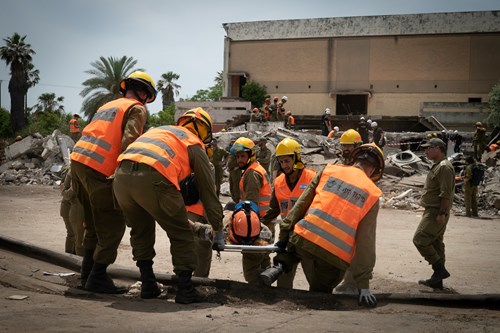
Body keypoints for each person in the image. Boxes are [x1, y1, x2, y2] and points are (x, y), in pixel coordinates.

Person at [113, 108, 224, 303]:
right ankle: (185, 289)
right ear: (204, 131)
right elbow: (208, 192)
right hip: (154, 176)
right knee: (181, 233)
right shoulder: (193, 142)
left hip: (121, 177)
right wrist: (218, 228)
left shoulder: (161, 131)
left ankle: (148, 284)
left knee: (141, 229)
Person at [260, 143, 385, 308]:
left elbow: (299, 208)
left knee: (293, 251)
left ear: (354, 158)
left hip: (306, 238)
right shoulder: (372, 193)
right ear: (375, 170)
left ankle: (280, 266)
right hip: (334, 256)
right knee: (320, 292)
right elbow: (366, 242)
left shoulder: (329, 171)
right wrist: (363, 285)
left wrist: (284, 239)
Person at [70, 70, 157, 294]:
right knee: (112, 224)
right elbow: (130, 140)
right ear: (144, 93)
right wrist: (124, 173)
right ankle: (97, 276)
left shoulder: (107, 106)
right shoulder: (136, 108)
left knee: (92, 223)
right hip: (100, 170)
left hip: (78, 162)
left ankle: (87, 275)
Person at [261, 138, 316, 288]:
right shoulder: (279, 182)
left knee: (315, 278)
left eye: (287, 161)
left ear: (296, 158)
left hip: (308, 237)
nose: (284, 165)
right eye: (281, 161)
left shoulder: (312, 178)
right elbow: (273, 210)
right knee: (283, 280)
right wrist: (258, 224)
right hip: (287, 236)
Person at [229, 137, 273, 284]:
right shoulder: (255, 169)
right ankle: (267, 293)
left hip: (257, 226)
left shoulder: (252, 174)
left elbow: (251, 206)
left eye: (242, 156)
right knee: (264, 262)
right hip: (265, 223)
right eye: (238, 157)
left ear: (251, 155)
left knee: (251, 267)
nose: (239, 160)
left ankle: (256, 298)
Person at [413, 138, 455, 290]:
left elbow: (446, 193)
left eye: (428, 148)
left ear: (438, 149)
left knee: (420, 239)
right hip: (433, 210)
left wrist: (442, 213)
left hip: (436, 211)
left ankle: (439, 270)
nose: (426, 151)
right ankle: (438, 281)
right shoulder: (438, 166)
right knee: (437, 244)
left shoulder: (444, 167)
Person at [60, 167, 85, 256]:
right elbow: (66, 193)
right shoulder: (74, 173)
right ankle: (74, 260)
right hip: (71, 209)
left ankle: (70, 258)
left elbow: (63, 189)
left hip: (70, 208)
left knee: (73, 235)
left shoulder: (72, 171)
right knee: (77, 237)